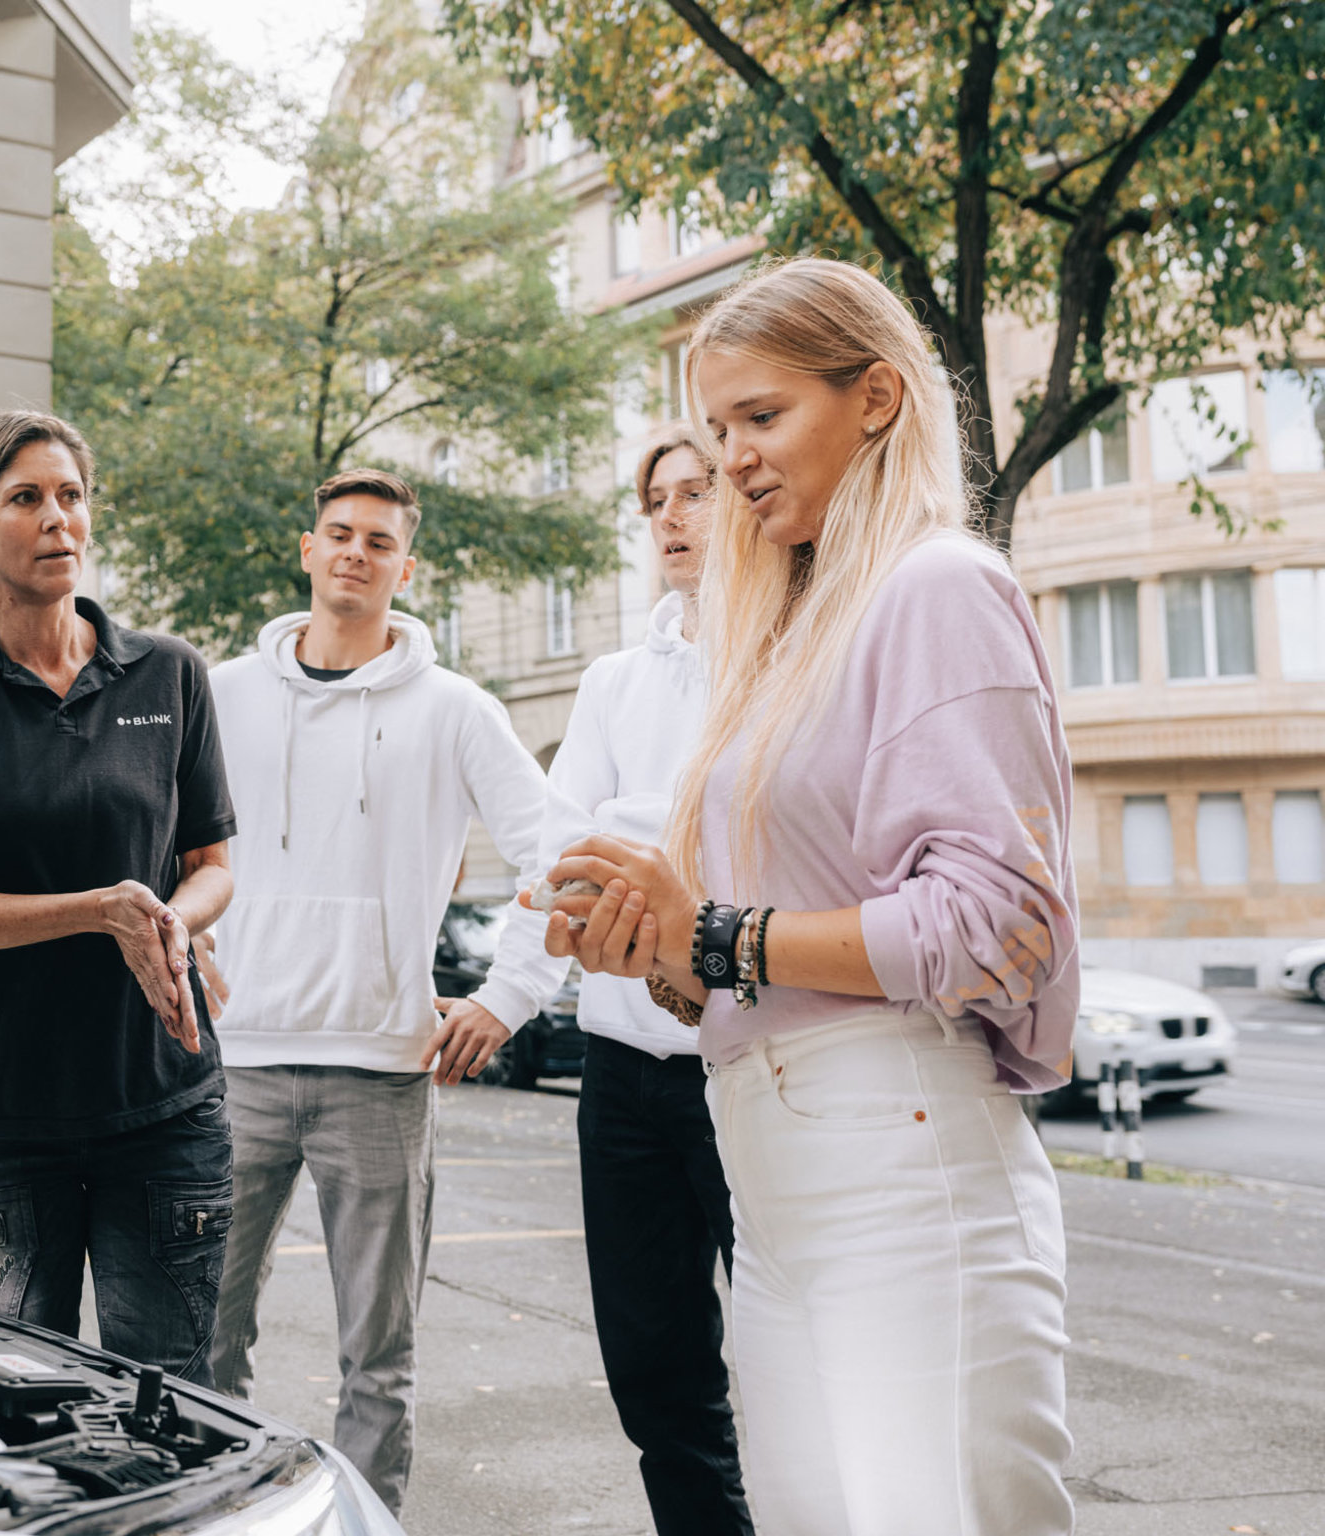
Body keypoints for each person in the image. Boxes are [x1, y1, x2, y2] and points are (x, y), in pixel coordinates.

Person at [539, 257, 1078, 1534]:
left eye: (760, 417)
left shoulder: (936, 586)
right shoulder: (780, 636)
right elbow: (741, 956)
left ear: (878, 397)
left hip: (898, 1162)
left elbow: (995, 921)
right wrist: (657, 950)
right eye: (716, 427)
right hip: (769, 1175)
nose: (729, 458)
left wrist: (714, 933)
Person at [202, 468, 565, 1514]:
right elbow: (150, 837)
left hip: (382, 1076)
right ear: (306, 549)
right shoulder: (220, 693)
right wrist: (179, 951)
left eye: (378, 541)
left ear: (406, 568)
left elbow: (554, 854)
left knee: (378, 1362)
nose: (355, 552)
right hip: (236, 1070)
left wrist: (508, 995)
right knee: (204, 1341)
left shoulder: (456, 711)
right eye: (338, 534)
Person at [0, 409, 237, 1384]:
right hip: (0, 1127)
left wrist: (166, 922)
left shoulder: (168, 674)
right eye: (24, 498)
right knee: (19, 1416)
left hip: (165, 1113)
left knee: (168, 1409)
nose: (56, 518)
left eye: (71, 496)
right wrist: (99, 908)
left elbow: (213, 867)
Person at [538, 424, 753, 1536]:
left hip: (746, 1067)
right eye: (653, 501)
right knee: (655, 1370)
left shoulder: (786, 657)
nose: (671, 518)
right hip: (620, 1074)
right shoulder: (613, 680)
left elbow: (737, 850)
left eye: (695, 492)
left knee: (783, 1363)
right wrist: (650, 843)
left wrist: (641, 841)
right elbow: (559, 854)